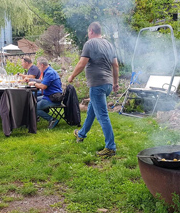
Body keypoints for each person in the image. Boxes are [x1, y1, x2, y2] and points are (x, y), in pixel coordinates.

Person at [68, 22, 119, 158]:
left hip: (97, 84)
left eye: (88, 32)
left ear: (91, 31)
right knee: (91, 110)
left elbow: (82, 63)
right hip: (107, 84)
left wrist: (72, 76)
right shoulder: (109, 44)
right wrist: (115, 83)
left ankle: (110, 147)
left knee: (102, 115)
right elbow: (116, 65)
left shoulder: (90, 44)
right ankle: (81, 134)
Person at [28, 57, 63, 129]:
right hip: (49, 96)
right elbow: (43, 82)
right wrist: (33, 81)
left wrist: (34, 84)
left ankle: (52, 119)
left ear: (42, 65)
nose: (38, 68)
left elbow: (43, 86)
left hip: (53, 98)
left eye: (38, 66)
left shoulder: (49, 73)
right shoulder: (48, 71)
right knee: (33, 99)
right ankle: (32, 120)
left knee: (34, 108)